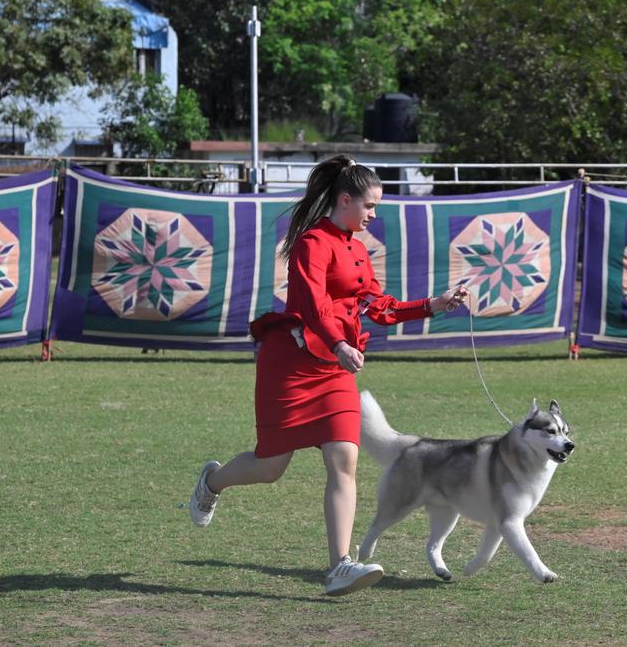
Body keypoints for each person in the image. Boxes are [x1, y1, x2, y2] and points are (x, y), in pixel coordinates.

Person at [188, 155, 468, 597]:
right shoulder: (311, 242)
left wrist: (433, 304)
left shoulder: (357, 249)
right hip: (292, 363)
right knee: (270, 467)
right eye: (370, 205)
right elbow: (312, 305)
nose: (374, 214)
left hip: (335, 368)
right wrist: (340, 344)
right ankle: (212, 481)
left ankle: (340, 565)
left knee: (344, 459)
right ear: (345, 200)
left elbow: (378, 306)